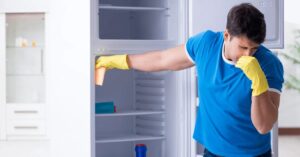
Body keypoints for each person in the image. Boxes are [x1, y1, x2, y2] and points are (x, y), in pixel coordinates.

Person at [95, 3, 284, 157]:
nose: (248, 54)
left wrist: (259, 81)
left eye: (254, 49)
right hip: (212, 152)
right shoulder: (206, 44)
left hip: (253, 155)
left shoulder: (269, 64)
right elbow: (162, 59)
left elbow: (264, 125)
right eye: (243, 47)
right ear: (226, 35)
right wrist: (120, 61)